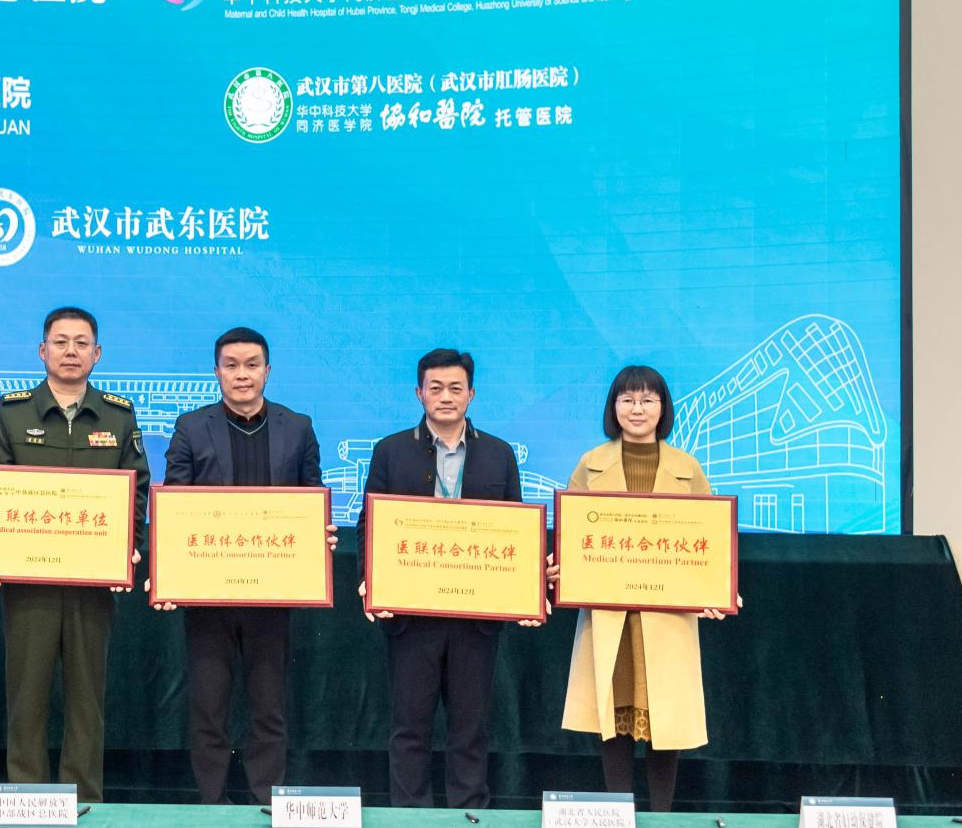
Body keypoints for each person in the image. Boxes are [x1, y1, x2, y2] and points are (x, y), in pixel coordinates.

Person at [0, 306, 150, 803]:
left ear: (97, 353)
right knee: (26, 696)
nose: (70, 351)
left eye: (81, 343)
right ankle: (26, 800)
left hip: (92, 581)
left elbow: (137, 491)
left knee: (87, 700)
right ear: (42, 350)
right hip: (28, 582)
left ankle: (84, 799)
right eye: (60, 342)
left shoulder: (118, 415)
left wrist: (127, 552)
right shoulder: (13, 411)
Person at [152, 327, 330, 804]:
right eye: (231, 365)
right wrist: (169, 572)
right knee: (208, 705)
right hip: (208, 593)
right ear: (216, 372)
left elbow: (312, 498)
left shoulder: (298, 427)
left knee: (269, 705)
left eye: (252, 365)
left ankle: (267, 798)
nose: (242, 374)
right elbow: (174, 505)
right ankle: (212, 801)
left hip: (272, 592)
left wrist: (319, 534)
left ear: (267, 371)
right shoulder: (192, 427)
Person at [557, 364, 738, 812]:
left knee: (665, 720)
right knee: (612, 717)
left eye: (647, 400)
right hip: (610, 614)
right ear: (613, 407)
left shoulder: (687, 468)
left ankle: (662, 817)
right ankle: (616, 814)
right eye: (627, 400)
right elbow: (571, 537)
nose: (637, 409)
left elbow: (711, 541)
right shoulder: (590, 464)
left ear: (663, 407)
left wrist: (720, 588)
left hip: (667, 615)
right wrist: (561, 569)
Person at [362, 348, 533, 809]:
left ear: (471, 394)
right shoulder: (391, 451)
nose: (445, 396)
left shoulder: (498, 454)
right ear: (419, 393)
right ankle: (409, 816)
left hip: (475, 618)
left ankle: (469, 813)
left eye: (455, 388)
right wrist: (369, 581)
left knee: (469, 729)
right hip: (411, 615)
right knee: (409, 728)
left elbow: (517, 531)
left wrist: (527, 590)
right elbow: (370, 525)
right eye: (435, 388)